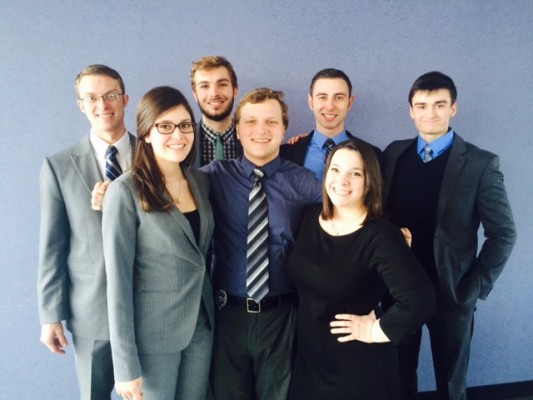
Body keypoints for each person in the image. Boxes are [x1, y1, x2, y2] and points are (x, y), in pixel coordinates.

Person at [382, 71, 517, 400]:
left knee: (451, 385)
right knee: (397, 380)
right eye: (422, 105)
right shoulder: (393, 154)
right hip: (400, 290)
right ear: (411, 111)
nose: (430, 113)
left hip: (452, 294)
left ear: (453, 108)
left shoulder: (480, 164)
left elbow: (503, 233)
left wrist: (473, 288)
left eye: (440, 104)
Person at [286, 139, 435, 400]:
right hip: (309, 363)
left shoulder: (382, 235)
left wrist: (374, 330)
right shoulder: (310, 217)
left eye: (355, 173)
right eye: (335, 169)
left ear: (369, 181)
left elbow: (419, 302)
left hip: (357, 370)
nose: (342, 181)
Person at [201, 88, 322, 400]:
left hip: (282, 318)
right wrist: (117, 193)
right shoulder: (212, 177)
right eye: (251, 121)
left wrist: (389, 231)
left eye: (271, 121)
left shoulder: (306, 183)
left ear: (284, 129)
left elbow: (344, 224)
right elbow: (165, 190)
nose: (261, 129)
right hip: (228, 317)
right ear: (238, 130)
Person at [101, 86, 215, 400]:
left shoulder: (200, 181)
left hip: (201, 329)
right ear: (147, 133)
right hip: (152, 338)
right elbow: (118, 282)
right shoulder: (125, 191)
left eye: (185, 125)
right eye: (165, 126)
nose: (177, 134)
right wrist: (124, 365)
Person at [37, 64, 133, 400]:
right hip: (91, 313)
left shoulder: (154, 154)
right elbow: (52, 244)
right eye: (91, 98)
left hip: (147, 306)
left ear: (125, 98)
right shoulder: (58, 165)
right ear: (81, 105)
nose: (102, 105)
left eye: (110, 95)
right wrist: (50, 314)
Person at [281, 68, 380, 180]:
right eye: (322, 97)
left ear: (350, 103)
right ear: (311, 102)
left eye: (339, 97)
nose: (330, 106)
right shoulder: (285, 154)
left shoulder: (373, 155)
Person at [191, 55, 242, 167]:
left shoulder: (252, 137)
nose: (214, 93)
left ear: (235, 90)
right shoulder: (184, 140)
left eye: (222, 84)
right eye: (204, 86)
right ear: (195, 94)